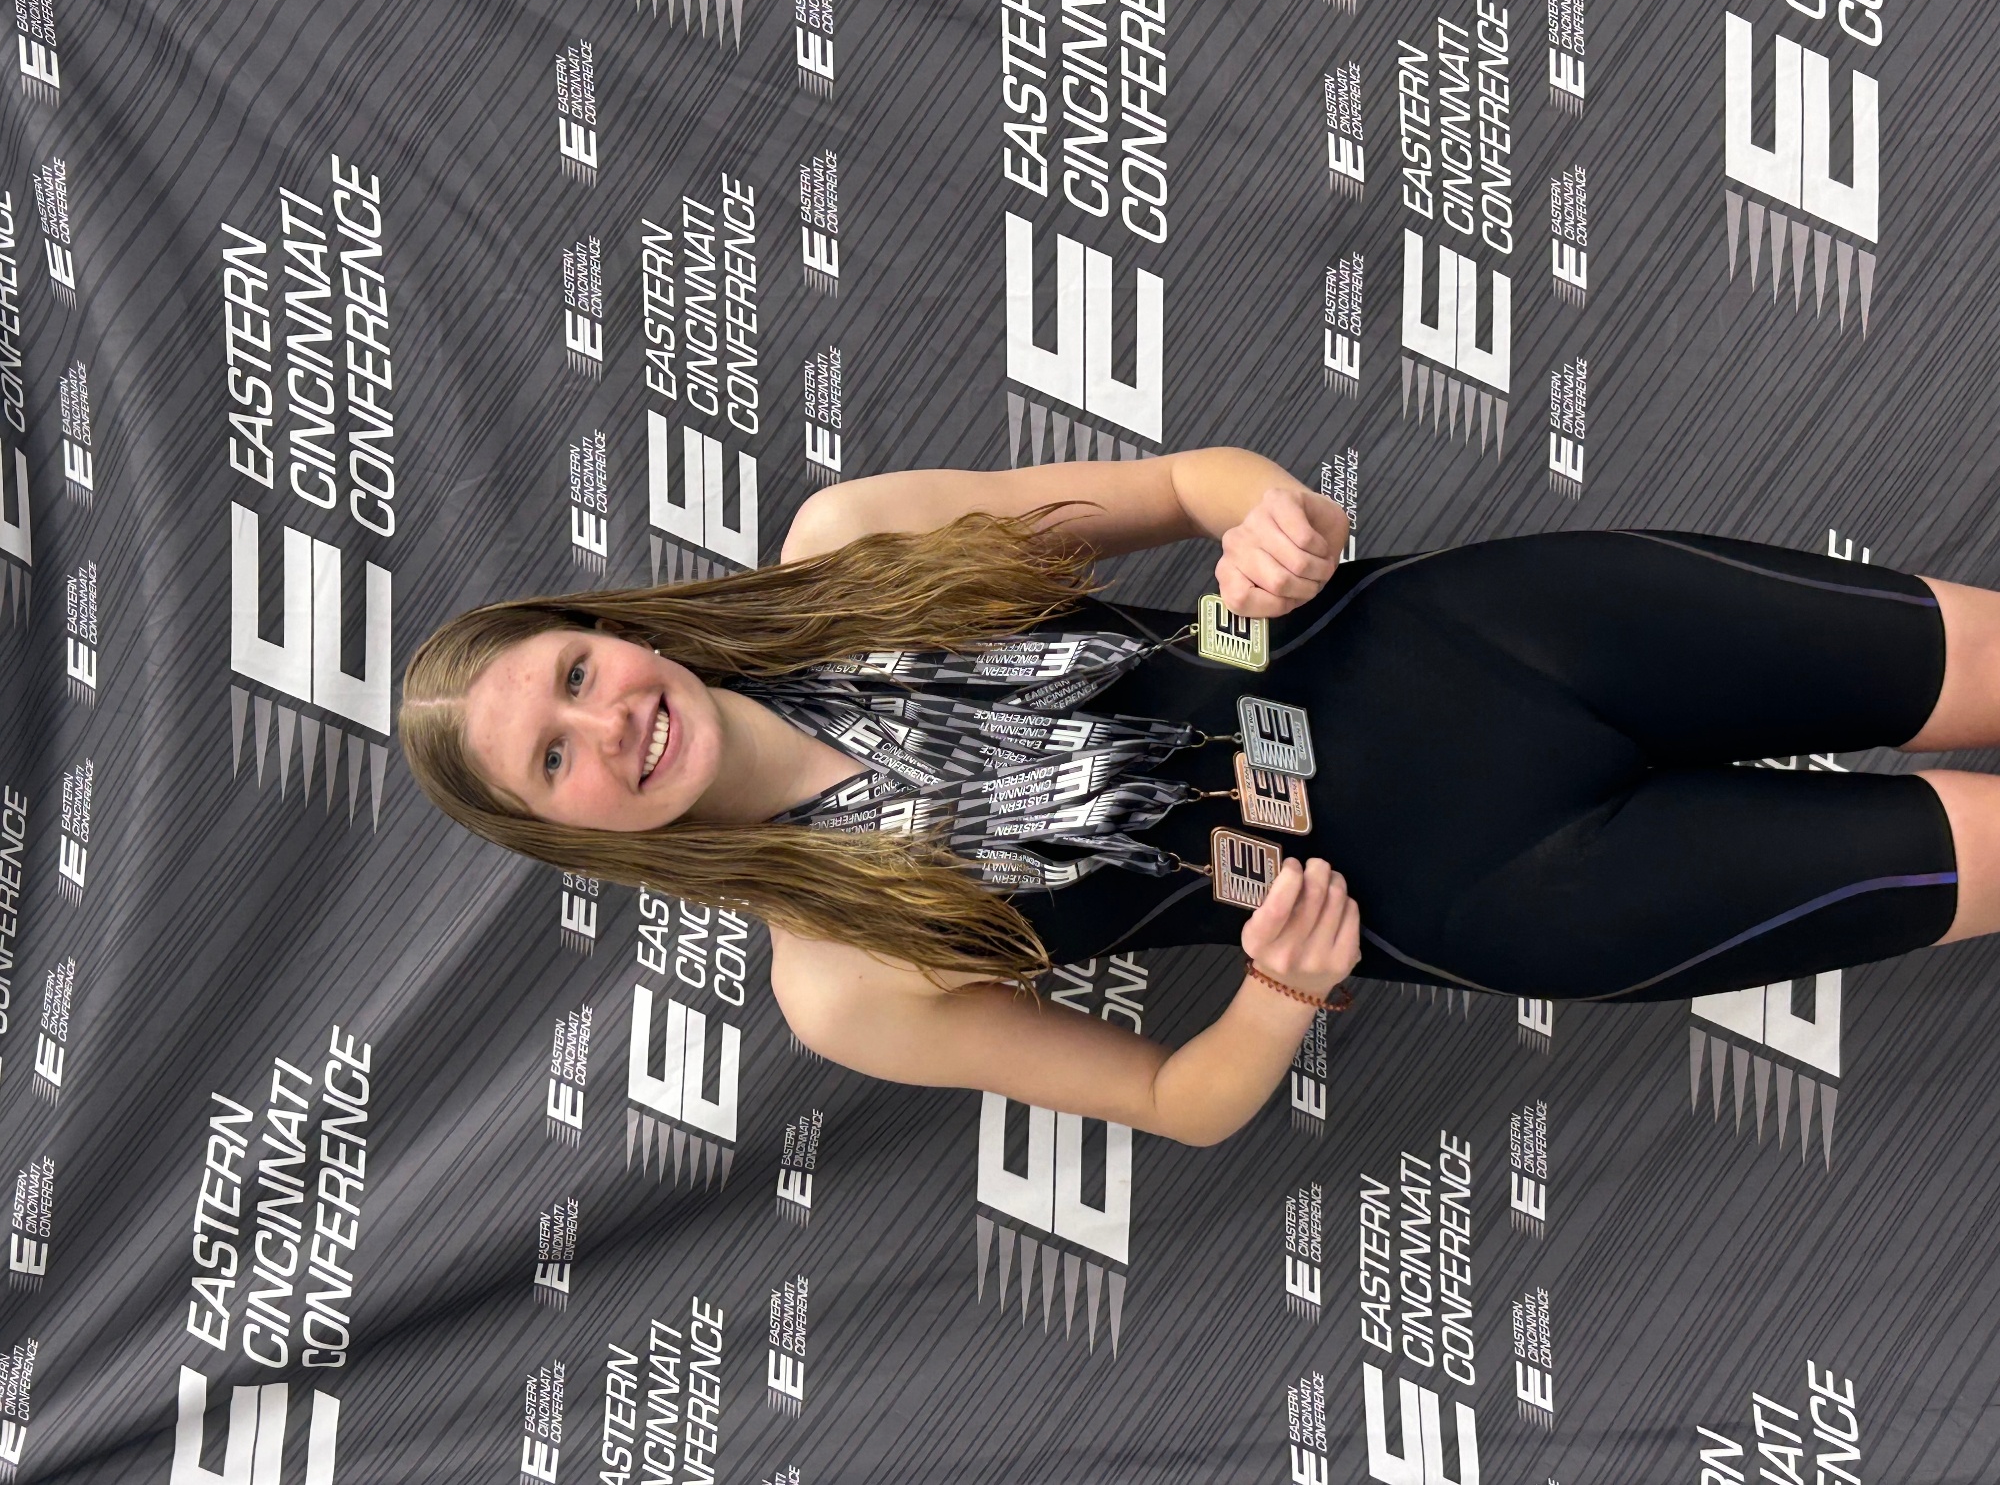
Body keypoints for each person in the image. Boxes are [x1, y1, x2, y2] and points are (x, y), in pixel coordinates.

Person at [400, 448, 2000, 1147]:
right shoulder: (841, 981)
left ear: (609, 630)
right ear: (565, 831)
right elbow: (1184, 1102)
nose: (606, 724)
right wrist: (1279, 994)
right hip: (1512, 884)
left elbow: (1188, 490)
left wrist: (1273, 529)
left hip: (1499, 639)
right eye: (553, 759)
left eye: (574, 672)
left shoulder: (847, 549)